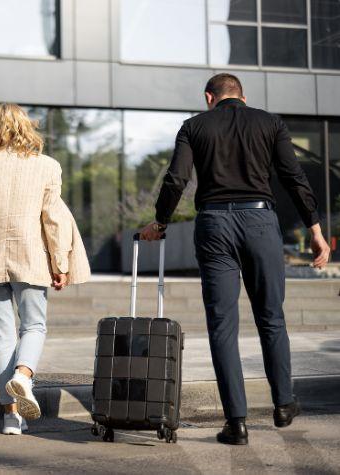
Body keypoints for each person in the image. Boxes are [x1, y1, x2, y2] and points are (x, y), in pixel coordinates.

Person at [140, 73, 331, 445]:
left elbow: (176, 180)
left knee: (222, 324)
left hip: (213, 225)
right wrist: (315, 228)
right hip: (260, 220)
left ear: (209, 97)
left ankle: (237, 423)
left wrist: (160, 222)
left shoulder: (193, 127)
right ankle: (283, 403)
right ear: (243, 96)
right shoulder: (270, 122)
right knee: (271, 316)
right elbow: (293, 176)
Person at [0, 103, 91, 435]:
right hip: (32, 258)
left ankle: (10, 418)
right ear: (26, 127)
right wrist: (59, 262)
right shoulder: (47, 166)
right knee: (34, 327)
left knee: (0, 338)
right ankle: (24, 375)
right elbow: (53, 220)